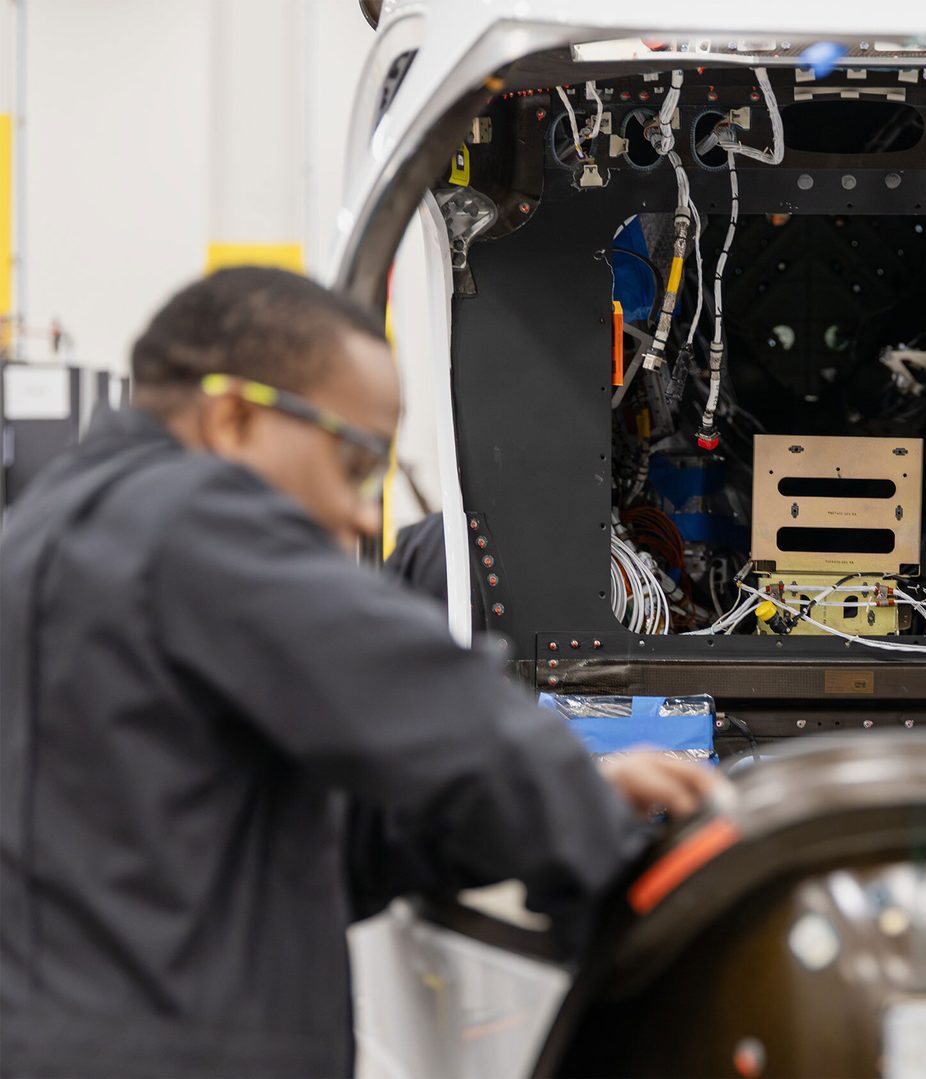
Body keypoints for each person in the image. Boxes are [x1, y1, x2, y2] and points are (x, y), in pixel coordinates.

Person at [0, 268, 717, 1077]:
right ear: (234, 417)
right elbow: (441, 711)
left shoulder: (70, 534)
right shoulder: (181, 519)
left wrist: (553, 803)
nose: (357, 511)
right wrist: (632, 869)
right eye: (353, 462)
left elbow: (303, 853)